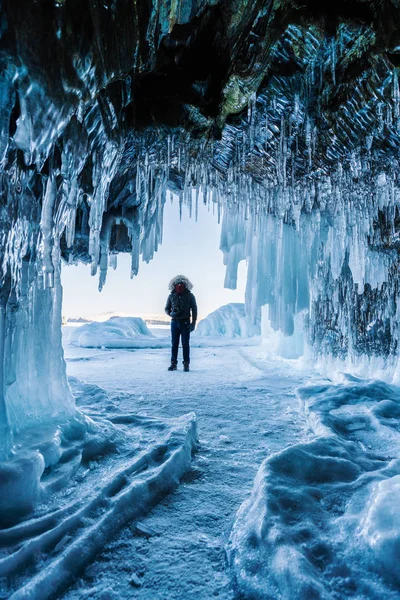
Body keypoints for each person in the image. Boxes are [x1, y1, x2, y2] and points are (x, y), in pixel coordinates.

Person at [165, 275, 197, 372]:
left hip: (185, 322)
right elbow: (166, 309)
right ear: (174, 285)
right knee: (174, 343)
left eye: (181, 284)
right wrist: (171, 313)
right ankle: (173, 364)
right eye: (177, 284)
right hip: (174, 322)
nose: (179, 285)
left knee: (185, 343)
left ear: (185, 284)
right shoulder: (171, 296)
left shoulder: (190, 295)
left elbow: (194, 309)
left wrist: (193, 322)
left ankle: (186, 364)